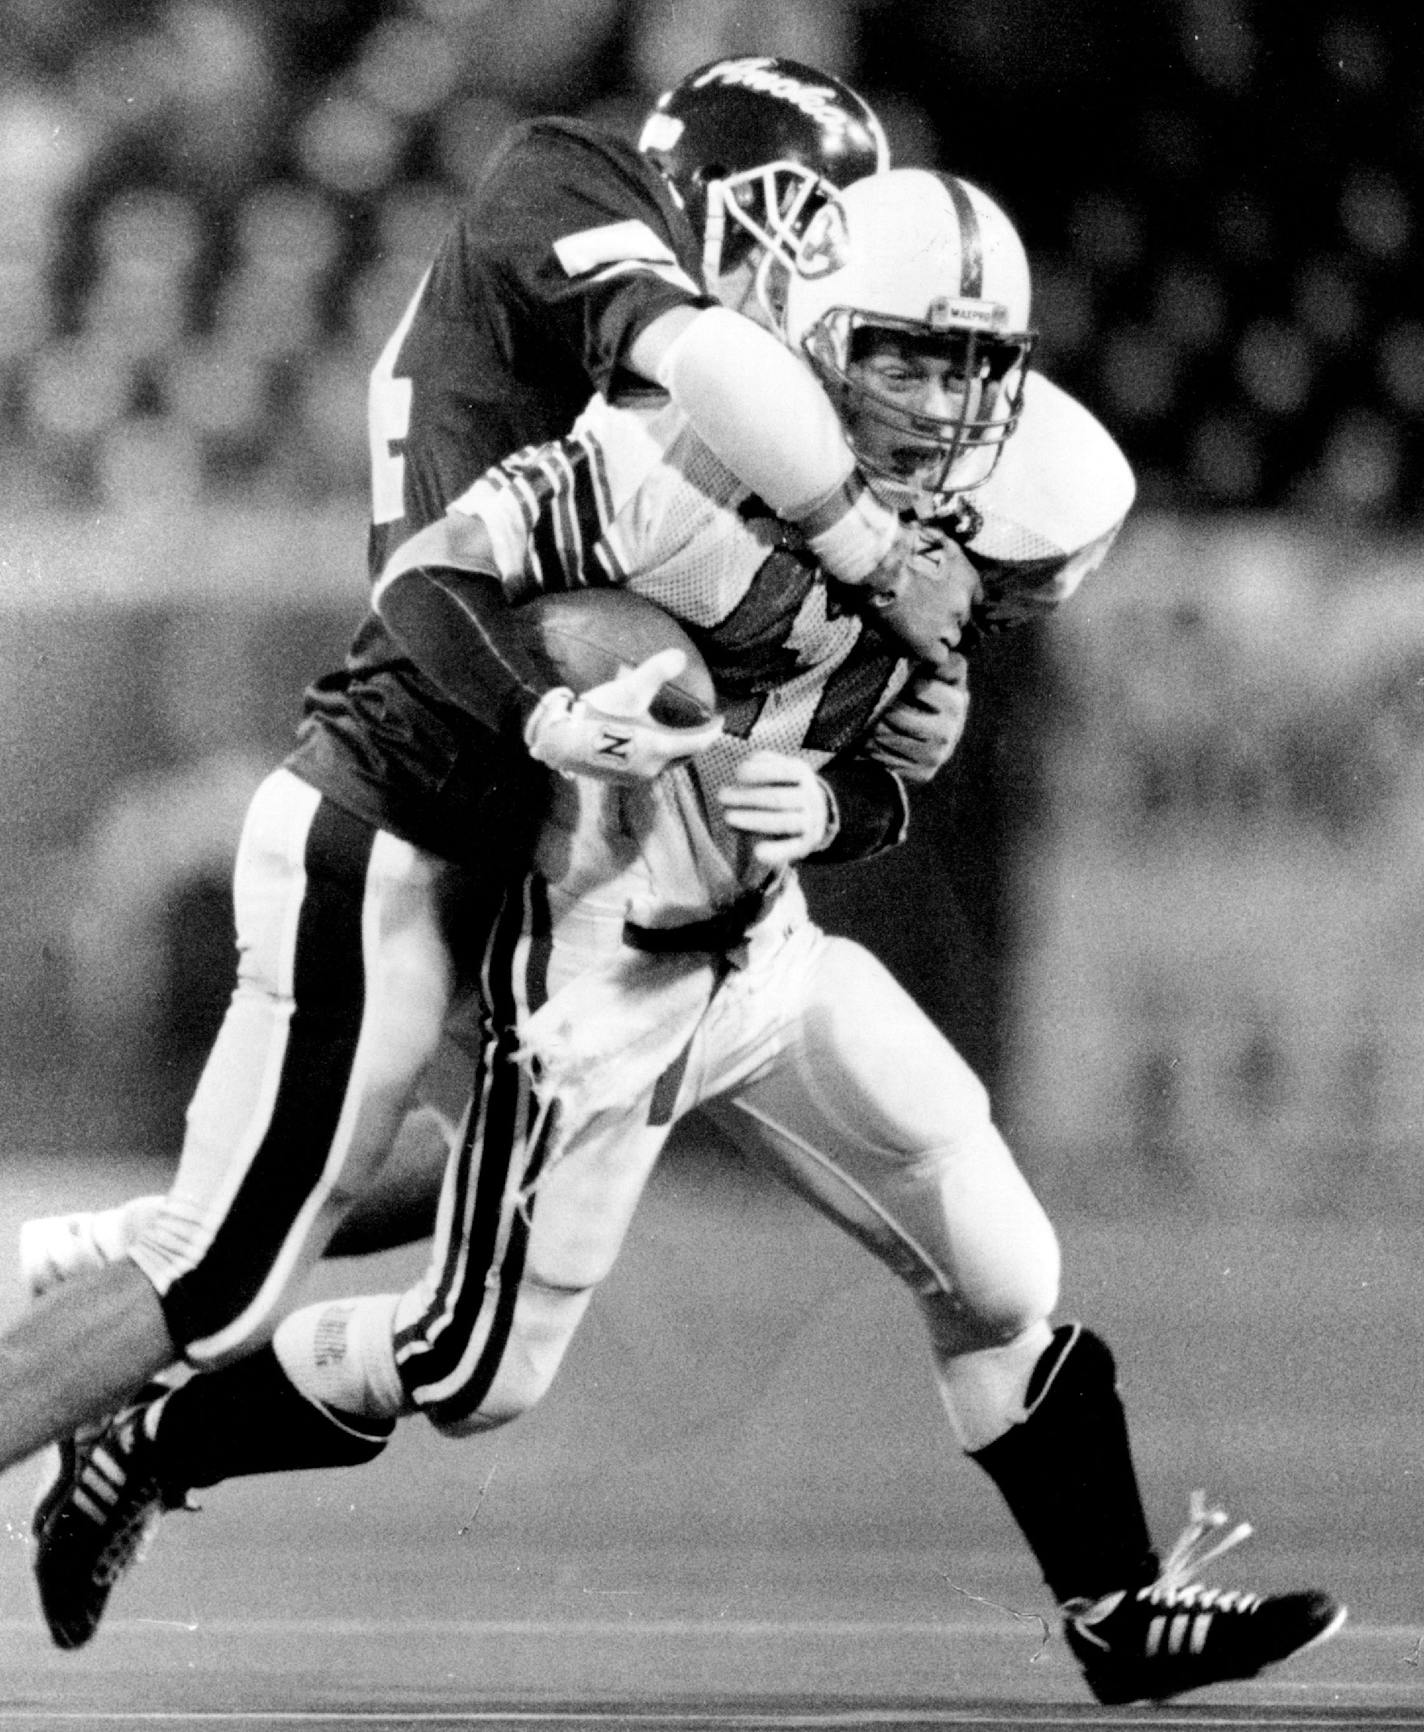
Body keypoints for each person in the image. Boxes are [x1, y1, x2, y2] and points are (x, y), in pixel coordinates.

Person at [28, 167, 1343, 1708]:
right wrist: (552, 707)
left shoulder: (1017, 500)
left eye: (970, 364)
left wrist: (836, 814)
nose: (937, 399)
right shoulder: (676, 457)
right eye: (904, 353)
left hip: (764, 949)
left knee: (998, 1264)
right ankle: (144, 1441)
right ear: (812, 330)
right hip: (598, 960)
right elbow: (431, 578)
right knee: (474, 1373)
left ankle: (1117, 1610)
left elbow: (895, 761)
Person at [0, 54, 977, 1466]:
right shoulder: (575, 184)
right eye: (809, 218)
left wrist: (898, 707)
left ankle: (114, 1248)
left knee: (457, 1151)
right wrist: (876, 558)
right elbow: (692, 389)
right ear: (726, 187)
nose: (821, 265)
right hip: (412, 771)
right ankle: (144, 1263)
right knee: (217, 1282)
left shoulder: (698, 428)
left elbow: (710, 597)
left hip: (500, 798)